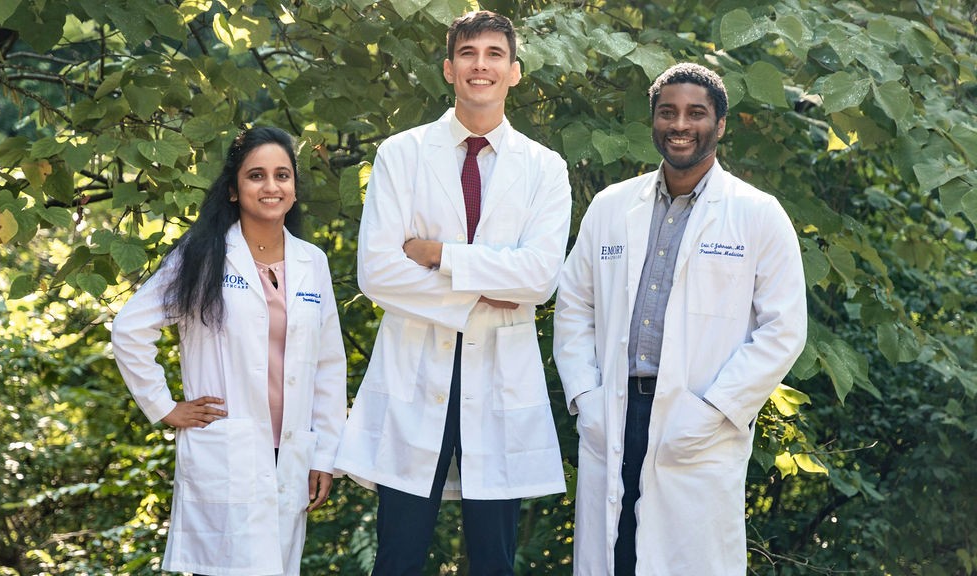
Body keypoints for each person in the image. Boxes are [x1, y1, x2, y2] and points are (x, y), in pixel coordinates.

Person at [334, 10, 571, 575]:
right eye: (468, 54)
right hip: (414, 372)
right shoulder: (401, 153)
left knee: (494, 559)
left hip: (499, 375)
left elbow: (538, 279)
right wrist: (485, 289)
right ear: (448, 68)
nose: (480, 65)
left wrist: (441, 256)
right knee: (398, 556)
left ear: (514, 71)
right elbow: (377, 272)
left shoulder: (545, 168)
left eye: (494, 54)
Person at [553, 62, 808, 575]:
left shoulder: (757, 214)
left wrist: (712, 408)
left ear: (720, 124)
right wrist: (586, 395)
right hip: (616, 410)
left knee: (689, 561)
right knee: (616, 557)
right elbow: (574, 305)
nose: (680, 124)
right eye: (668, 112)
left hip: (698, 419)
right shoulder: (610, 207)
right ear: (653, 120)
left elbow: (782, 331)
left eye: (696, 113)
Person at [111, 126, 347, 576]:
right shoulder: (202, 255)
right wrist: (164, 407)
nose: (271, 186)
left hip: (290, 453)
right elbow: (129, 328)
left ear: (295, 188)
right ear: (235, 189)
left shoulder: (311, 261)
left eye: (282, 175)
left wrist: (325, 455)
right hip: (228, 450)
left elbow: (329, 366)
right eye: (256, 175)